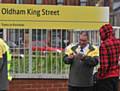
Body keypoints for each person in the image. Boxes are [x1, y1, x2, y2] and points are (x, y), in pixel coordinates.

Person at [96, 24, 120, 91]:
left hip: (106, 78)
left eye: (101, 34)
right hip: (116, 76)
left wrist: (99, 76)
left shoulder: (104, 45)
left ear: (105, 33)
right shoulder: (118, 42)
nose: (100, 36)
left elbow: (104, 66)